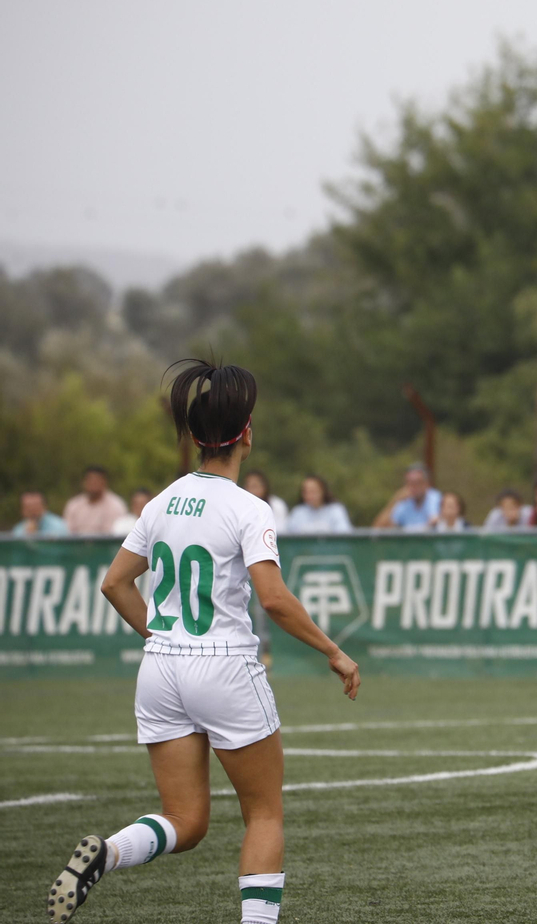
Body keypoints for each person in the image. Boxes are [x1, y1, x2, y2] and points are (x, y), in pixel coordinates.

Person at [44, 358, 359, 924]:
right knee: (264, 813)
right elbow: (274, 599)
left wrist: (163, 637)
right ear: (246, 434)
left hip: (160, 669)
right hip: (224, 669)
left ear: (193, 437)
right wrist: (333, 651)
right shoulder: (248, 507)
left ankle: (108, 853)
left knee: (185, 821)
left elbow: (115, 583)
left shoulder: (160, 501)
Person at [372, 464, 440, 531]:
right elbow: (378, 528)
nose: (413, 487)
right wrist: (395, 500)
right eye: (409, 483)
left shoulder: (434, 497)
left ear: (426, 483)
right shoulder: (404, 501)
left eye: (417, 482)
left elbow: (434, 522)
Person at [62, 466, 127, 536]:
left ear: (104, 482)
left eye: (97, 480)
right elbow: (67, 532)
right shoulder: (74, 505)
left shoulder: (116, 505)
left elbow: (117, 534)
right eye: (90, 480)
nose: (93, 483)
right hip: (76, 546)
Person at [284, 476, 352, 534]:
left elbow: (343, 535)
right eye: (306, 492)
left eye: (313, 491)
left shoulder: (336, 510)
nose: (309, 495)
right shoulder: (298, 512)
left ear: (323, 491)